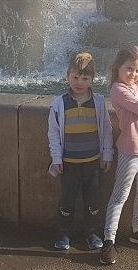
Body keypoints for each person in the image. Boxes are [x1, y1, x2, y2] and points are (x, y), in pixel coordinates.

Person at [99, 45, 138, 265]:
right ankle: (109, 240)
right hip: (130, 150)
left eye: (137, 70)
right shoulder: (118, 90)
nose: (133, 74)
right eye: (129, 69)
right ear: (118, 67)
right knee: (120, 195)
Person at [47, 51, 113, 251]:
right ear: (68, 75)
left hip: (93, 162)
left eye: (85, 78)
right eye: (75, 77)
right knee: (67, 200)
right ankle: (63, 232)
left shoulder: (98, 102)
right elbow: (53, 134)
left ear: (92, 79)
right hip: (68, 164)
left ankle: (92, 232)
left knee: (93, 200)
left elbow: (107, 129)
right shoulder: (59, 103)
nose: (79, 82)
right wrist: (56, 158)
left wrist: (107, 154)